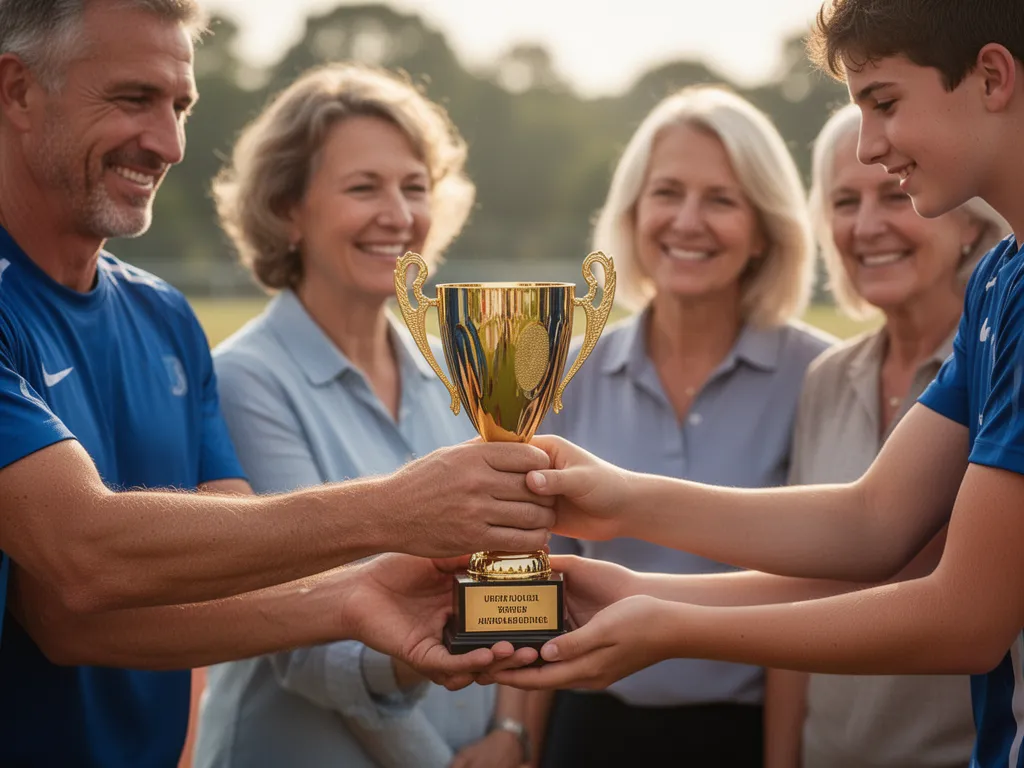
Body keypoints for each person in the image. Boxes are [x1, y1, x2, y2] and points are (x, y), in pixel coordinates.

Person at [0, 1, 549, 765]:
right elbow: (83, 562)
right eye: (132, 98)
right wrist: (398, 510)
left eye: (180, 106)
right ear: (17, 91)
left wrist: (354, 601)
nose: (168, 142)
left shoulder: (166, 318)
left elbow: (177, 593)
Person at [486, 1, 1024, 766]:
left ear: (993, 76)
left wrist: (671, 623)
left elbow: (968, 617)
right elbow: (871, 520)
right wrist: (625, 506)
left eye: (884, 103)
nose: (869, 147)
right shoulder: (1002, 284)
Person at [194, 64, 530, 768]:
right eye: (362, 187)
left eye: (414, 187)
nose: (399, 215)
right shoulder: (244, 380)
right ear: (289, 209)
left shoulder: (463, 367)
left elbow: (516, 561)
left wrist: (510, 732)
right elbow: (308, 644)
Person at [534, 85, 832, 768]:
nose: (688, 221)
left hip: (739, 734)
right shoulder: (566, 369)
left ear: (764, 229)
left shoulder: (819, 375)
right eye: (667, 192)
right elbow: (537, 571)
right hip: (586, 727)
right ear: (634, 212)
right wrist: (515, 734)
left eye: (721, 199)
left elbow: (810, 598)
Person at [766, 103, 1009, 768]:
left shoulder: (997, 366)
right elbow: (799, 583)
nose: (867, 226)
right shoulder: (825, 378)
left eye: (893, 194)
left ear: (969, 217)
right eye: (845, 201)